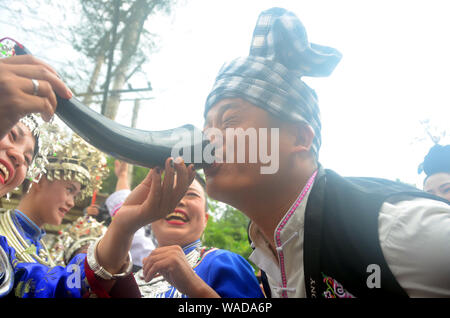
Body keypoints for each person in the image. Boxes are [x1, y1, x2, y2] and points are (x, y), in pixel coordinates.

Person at [201, 7, 450, 298]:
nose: (206, 139)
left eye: (229, 121)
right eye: (206, 127)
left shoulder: (394, 229)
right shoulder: (266, 248)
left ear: (299, 137)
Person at [135, 174, 264, 298]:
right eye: (168, 194)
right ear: (150, 215)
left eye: (191, 194)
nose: (178, 201)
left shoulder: (224, 263)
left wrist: (196, 289)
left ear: (205, 220)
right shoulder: (129, 278)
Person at [105, 160, 156, 271]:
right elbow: (127, 221)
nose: (180, 202)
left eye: (191, 194)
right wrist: (122, 176)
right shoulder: (146, 259)